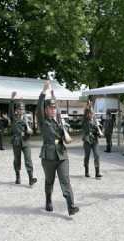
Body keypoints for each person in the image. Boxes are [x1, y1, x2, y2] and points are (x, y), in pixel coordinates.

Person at [37, 81, 79, 215]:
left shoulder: (60, 122)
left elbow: (67, 139)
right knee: (49, 181)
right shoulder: (43, 121)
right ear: (46, 110)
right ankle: (48, 199)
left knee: (65, 180)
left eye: (54, 108)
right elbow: (39, 107)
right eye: (50, 108)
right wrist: (44, 92)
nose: (53, 110)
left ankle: (70, 205)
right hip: (48, 156)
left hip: (61, 155)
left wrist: (65, 132)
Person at [9, 92, 37, 186]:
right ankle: (18, 176)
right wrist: (12, 99)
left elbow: (31, 130)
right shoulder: (14, 118)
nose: (22, 110)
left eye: (23, 109)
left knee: (28, 160)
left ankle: (30, 178)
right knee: (17, 160)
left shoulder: (27, 118)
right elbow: (10, 111)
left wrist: (30, 131)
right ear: (17, 110)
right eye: (20, 109)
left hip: (26, 141)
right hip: (16, 141)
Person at [81, 100, 102, 179]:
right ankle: (86, 171)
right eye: (89, 113)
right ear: (87, 114)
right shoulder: (84, 120)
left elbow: (98, 130)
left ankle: (97, 172)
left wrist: (99, 131)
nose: (91, 115)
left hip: (94, 140)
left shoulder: (95, 121)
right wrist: (88, 106)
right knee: (87, 156)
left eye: (92, 113)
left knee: (97, 155)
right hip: (87, 141)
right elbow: (85, 112)